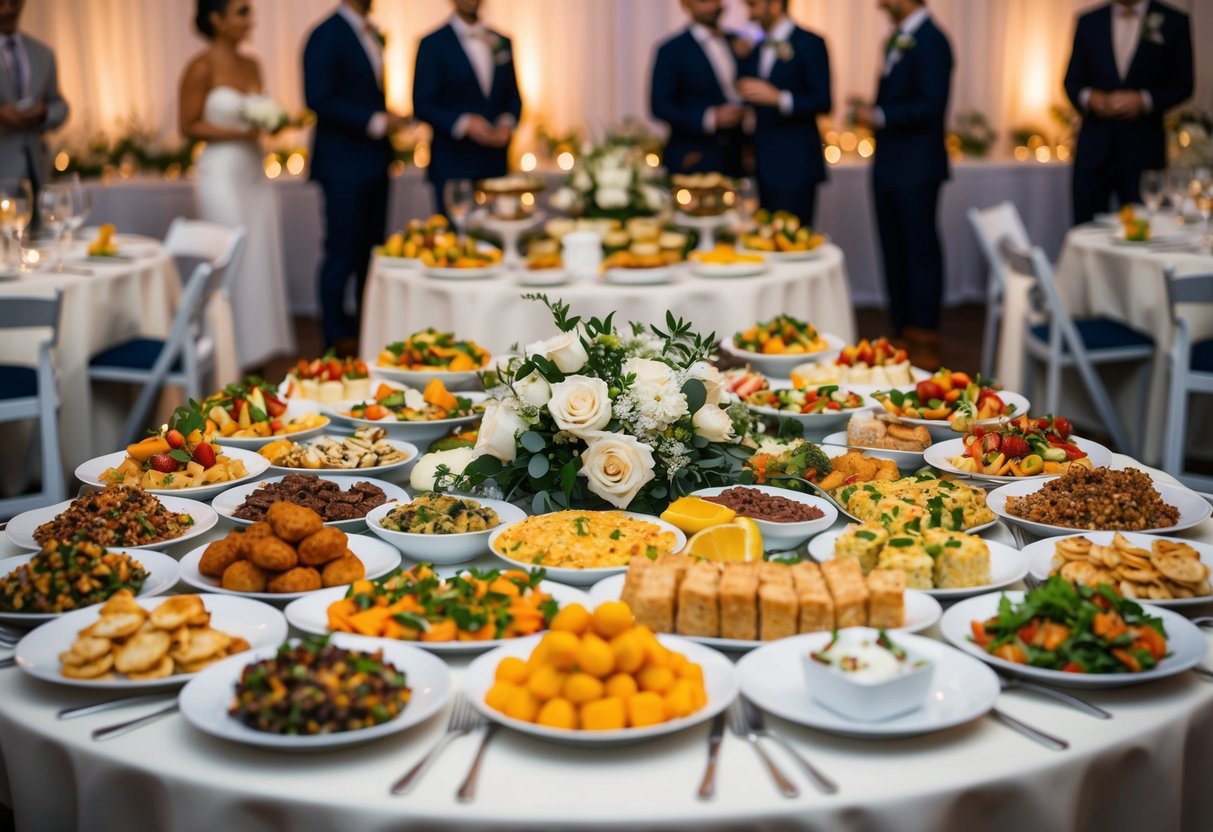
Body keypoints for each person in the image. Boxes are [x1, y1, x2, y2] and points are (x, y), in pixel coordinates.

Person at [179, 0, 295, 372]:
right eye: (241, 11)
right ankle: (224, 354)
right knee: (231, 256)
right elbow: (188, 125)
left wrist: (270, 123)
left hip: (253, 170)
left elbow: (259, 114)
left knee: (259, 257)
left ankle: (255, 353)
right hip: (220, 172)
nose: (251, 19)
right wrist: (238, 130)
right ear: (216, 19)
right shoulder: (200, 66)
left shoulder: (252, 64)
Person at [852, 0, 952, 370]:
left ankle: (925, 333)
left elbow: (932, 105)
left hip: (918, 166)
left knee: (919, 249)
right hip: (889, 164)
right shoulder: (898, 38)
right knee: (893, 247)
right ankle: (901, 329)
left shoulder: (932, 40)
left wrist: (878, 114)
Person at [303, 0, 405, 352]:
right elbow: (317, 97)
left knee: (371, 252)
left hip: (376, 160)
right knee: (341, 252)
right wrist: (374, 120)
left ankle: (367, 330)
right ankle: (333, 339)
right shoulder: (324, 35)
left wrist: (386, 118)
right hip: (341, 163)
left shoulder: (371, 32)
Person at [1063, 0, 1193, 225]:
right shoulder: (1088, 21)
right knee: (1085, 228)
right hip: (1094, 150)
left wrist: (1144, 100)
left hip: (1143, 150)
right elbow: (1072, 82)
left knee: (1144, 228)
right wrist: (1091, 98)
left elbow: (1183, 84)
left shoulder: (1174, 21)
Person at [413, 0, 522, 218]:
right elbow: (421, 104)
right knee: (456, 244)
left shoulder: (502, 41)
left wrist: (507, 123)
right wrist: (463, 123)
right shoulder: (432, 44)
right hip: (453, 166)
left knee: (496, 239)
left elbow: (514, 97)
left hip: (494, 165)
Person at [737, 0, 831, 225]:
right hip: (763, 162)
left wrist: (779, 98)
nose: (750, 15)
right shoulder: (757, 49)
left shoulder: (810, 43)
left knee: (794, 243)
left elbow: (823, 102)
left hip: (796, 163)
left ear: (776, 5)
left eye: (754, 6)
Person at [650, 0, 747, 176]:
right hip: (694, 155)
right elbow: (659, 105)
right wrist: (709, 118)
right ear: (686, 5)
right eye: (704, 1)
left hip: (736, 157)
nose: (712, 6)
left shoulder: (737, 42)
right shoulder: (672, 49)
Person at [0, 0, 69, 221]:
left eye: (14, 2)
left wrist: (44, 113)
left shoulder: (43, 53)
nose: (8, 9)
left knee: (39, 247)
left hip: (38, 172)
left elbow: (60, 106)